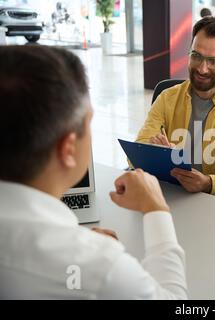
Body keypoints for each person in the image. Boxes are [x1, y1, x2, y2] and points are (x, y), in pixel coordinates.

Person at [0, 46, 187, 299]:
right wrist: (156, 210)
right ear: (67, 148)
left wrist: (73, 239)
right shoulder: (99, 267)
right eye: (88, 122)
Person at [136, 17, 215, 201]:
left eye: (214, 61)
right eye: (196, 56)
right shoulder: (167, 97)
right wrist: (151, 154)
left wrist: (208, 183)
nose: (202, 69)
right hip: (168, 195)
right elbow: (136, 151)